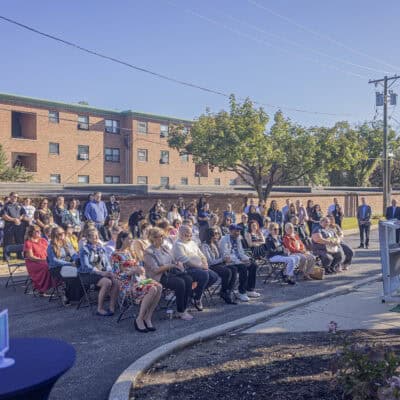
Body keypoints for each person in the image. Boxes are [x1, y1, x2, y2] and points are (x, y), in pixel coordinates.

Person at [112, 231, 162, 332]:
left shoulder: (131, 252)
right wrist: (131, 272)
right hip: (126, 284)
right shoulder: (116, 255)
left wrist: (140, 269)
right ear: (122, 239)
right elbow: (116, 274)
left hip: (138, 280)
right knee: (152, 289)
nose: (131, 241)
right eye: (129, 239)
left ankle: (148, 317)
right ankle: (140, 318)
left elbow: (138, 267)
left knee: (159, 286)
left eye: (132, 239)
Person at [144, 227, 194, 320]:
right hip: (158, 276)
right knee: (180, 283)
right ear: (153, 238)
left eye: (163, 236)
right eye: (159, 237)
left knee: (188, 279)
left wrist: (176, 263)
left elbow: (172, 260)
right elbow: (155, 270)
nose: (162, 238)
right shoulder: (149, 252)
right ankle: (180, 311)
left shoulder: (164, 247)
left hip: (170, 273)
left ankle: (184, 307)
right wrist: (171, 265)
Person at [173, 224, 219, 311]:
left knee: (214, 276)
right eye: (187, 235)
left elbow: (201, 254)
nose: (189, 237)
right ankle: (197, 298)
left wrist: (205, 263)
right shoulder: (178, 244)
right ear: (180, 234)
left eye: (190, 235)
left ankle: (194, 293)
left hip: (199, 266)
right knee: (204, 275)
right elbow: (186, 261)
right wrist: (201, 266)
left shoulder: (192, 242)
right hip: (187, 269)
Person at [79, 229, 119, 316]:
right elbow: (86, 266)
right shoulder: (84, 250)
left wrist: (109, 271)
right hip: (88, 274)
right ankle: (99, 309)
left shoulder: (101, 248)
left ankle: (111, 307)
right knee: (107, 282)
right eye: (94, 236)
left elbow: (107, 263)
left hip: (101, 273)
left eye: (97, 236)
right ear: (88, 238)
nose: (97, 238)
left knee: (116, 281)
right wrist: (101, 273)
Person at [219, 224, 260, 302]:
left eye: (239, 231)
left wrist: (248, 259)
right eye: (236, 231)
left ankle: (250, 290)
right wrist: (240, 261)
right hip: (229, 263)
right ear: (230, 231)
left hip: (238, 261)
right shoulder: (224, 240)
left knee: (253, 265)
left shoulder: (238, 239)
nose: (238, 232)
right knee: (243, 267)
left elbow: (241, 253)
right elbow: (226, 255)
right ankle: (241, 292)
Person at [201, 228, 237, 305]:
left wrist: (226, 258)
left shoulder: (215, 244)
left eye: (217, 233)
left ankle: (227, 292)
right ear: (209, 235)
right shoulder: (205, 246)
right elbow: (210, 262)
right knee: (227, 272)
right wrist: (222, 259)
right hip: (210, 266)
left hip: (218, 264)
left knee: (234, 269)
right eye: (215, 234)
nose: (217, 235)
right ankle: (224, 292)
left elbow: (221, 255)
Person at [47, 226, 80, 304]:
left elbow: (74, 254)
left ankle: (77, 296)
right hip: (56, 268)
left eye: (63, 233)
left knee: (81, 272)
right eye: (60, 234)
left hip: (68, 265)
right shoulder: (51, 246)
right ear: (55, 235)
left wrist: (76, 260)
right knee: (73, 274)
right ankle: (68, 296)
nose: (62, 235)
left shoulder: (66, 243)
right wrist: (70, 264)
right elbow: (55, 261)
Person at [24, 225, 57, 294]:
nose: (39, 232)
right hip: (34, 262)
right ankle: (46, 287)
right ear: (31, 233)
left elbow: (50, 251)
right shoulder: (28, 243)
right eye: (37, 231)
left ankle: (57, 284)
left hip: (45, 259)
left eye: (39, 231)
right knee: (47, 266)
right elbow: (31, 257)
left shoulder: (43, 240)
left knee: (56, 264)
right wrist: (43, 260)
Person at [1, 192, 29, 260]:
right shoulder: (6, 206)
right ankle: (6, 256)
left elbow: (23, 214)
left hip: (18, 226)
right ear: (10, 196)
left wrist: (19, 218)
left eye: (16, 197)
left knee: (19, 241)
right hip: (9, 226)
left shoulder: (19, 205)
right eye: (14, 196)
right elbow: (4, 216)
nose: (15, 198)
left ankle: (19, 255)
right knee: (8, 241)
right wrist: (14, 219)